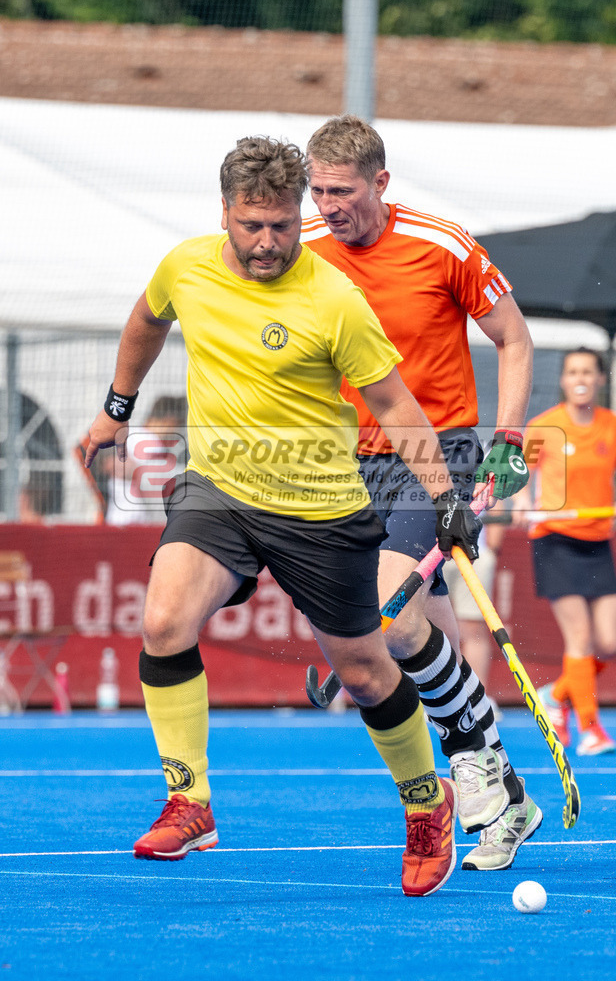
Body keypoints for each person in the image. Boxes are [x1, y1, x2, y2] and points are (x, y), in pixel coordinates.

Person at [84, 134, 485, 898]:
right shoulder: (187, 266)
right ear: (225, 214)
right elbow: (146, 321)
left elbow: (398, 408)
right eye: (251, 225)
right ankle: (190, 801)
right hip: (221, 492)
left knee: (367, 674)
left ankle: (426, 800)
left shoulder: (333, 298)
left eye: (280, 224)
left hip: (320, 508)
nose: (268, 242)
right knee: (163, 623)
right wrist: (115, 412)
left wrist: (444, 498)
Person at [302, 115, 540, 871]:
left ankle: (469, 759)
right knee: (432, 644)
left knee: (396, 626)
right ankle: (510, 794)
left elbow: (515, 339)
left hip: (441, 454)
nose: (328, 204)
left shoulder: (443, 243)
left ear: (380, 182)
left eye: (341, 190)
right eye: (318, 189)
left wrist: (506, 443)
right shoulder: (302, 251)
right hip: (349, 463)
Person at [519, 347, 616, 755]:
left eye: (588, 371)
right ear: (564, 380)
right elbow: (522, 473)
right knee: (581, 638)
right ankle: (592, 730)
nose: (580, 377)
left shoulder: (613, 426)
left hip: (597, 540)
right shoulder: (544, 426)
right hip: (554, 539)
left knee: (608, 643)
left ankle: (558, 693)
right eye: (573, 371)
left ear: (601, 378)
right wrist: (521, 503)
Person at [442, 521, 506, 720]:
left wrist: (491, 549)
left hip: (474, 552)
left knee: (474, 631)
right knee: (428, 628)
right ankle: (437, 700)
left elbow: (496, 496)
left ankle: (477, 699)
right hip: (427, 554)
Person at [103, 394, 187, 525]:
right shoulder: (152, 444)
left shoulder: (129, 435)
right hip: (136, 522)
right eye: (179, 425)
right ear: (169, 421)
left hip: (116, 518)